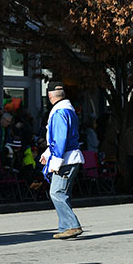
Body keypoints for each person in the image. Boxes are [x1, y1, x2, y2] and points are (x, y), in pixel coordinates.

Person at [40, 82, 84, 239]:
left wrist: (55, 161)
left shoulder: (59, 113)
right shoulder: (68, 110)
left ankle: (72, 225)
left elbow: (59, 139)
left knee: (57, 192)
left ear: (50, 96)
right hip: (71, 157)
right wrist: (47, 153)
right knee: (63, 193)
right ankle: (65, 227)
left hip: (65, 159)